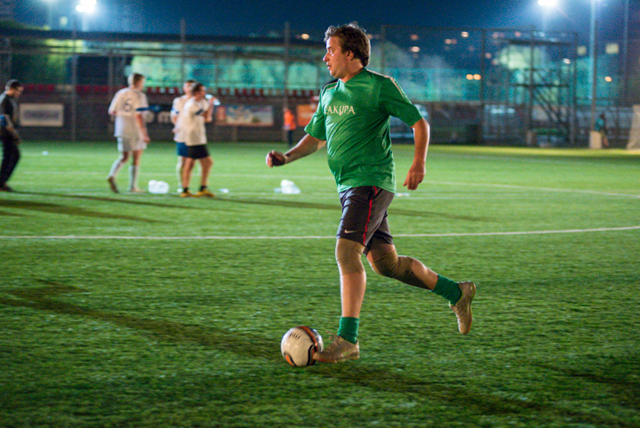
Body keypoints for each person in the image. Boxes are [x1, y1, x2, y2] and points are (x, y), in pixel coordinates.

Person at [266, 23, 476, 364]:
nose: (325, 57)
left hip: (371, 182)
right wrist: (286, 157)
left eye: (331, 50)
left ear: (351, 54)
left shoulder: (379, 86)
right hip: (348, 185)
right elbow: (316, 137)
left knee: (346, 252)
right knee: (386, 265)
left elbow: (419, 123)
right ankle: (457, 292)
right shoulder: (330, 92)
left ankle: (348, 340)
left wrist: (418, 163)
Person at [106, 73, 151, 193]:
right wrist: (144, 133)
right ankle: (133, 186)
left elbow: (112, 111)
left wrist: (123, 116)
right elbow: (139, 116)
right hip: (135, 130)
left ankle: (112, 175)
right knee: (136, 158)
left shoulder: (120, 93)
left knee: (124, 157)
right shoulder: (140, 95)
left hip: (121, 128)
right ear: (139, 82)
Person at [179, 82, 217, 198]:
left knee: (202, 163)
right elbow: (205, 115)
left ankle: (198, 188)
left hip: (199, 137)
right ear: (197, 92)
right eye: (202, 91)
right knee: (194, 163)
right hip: (193, 137)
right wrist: (211, 104)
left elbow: (207, 119)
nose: (205, 93)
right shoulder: (191, 104)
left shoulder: (200, 103)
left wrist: (209, 106)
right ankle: (188, 189)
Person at [171, 79, 195, 193]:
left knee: (192, 161)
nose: (189, 88)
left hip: (195, 135)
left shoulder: (198, 101)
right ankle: (182, 185)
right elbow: (174, 116)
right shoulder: (179, 101)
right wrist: (177, 126)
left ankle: (187, 184)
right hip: (182, 134)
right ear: (184, 88)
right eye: (187, 86)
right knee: (183, 160)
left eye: (191, 86)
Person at [0, 80, 23, 192]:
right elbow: (4, 119)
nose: (19, 93)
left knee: (13, 156)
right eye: (18, 91)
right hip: (6, 134)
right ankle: (1, 183)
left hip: (8, 133)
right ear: (12, 89)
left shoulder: (9, 99)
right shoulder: (4, 100)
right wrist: (14, 134)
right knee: (9, 157)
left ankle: (2, 182)